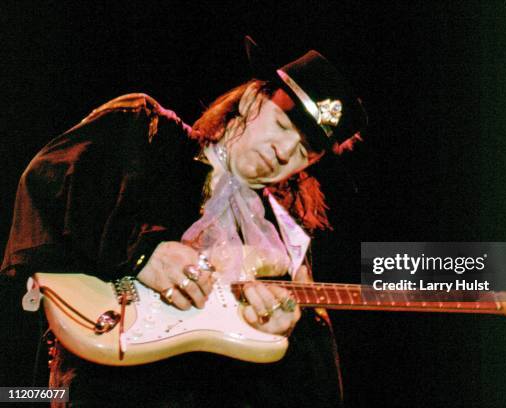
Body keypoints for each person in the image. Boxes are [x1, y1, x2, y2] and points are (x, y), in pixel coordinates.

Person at [2, 36, 367, 407]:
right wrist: (143, 254)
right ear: (251, 99)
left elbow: (314, 388)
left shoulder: (287, 244)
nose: (285, 151)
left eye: (305, 150)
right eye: (283, 125)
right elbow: (50, 180)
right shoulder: (147, 134)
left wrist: (286, 338)